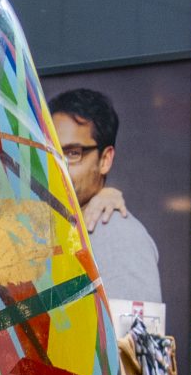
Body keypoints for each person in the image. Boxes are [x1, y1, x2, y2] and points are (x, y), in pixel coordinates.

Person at [49, 88, 162, 303]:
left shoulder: (118, 236)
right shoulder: (53, 226)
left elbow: (132, 334)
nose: (58, 166)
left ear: (105, 159)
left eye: (73, 153)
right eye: (51, 151)